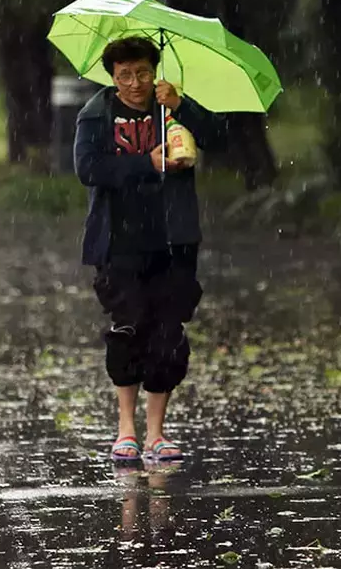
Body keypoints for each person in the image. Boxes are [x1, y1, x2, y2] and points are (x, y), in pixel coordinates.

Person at [73, 36, 227, 463]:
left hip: (174, 238)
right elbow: (88, 168)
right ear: (113, 78)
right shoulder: (97, 113)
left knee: (167, 334)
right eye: (125, 75)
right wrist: (148, 163)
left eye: (142, 73)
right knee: (129, 328)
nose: (135, 83)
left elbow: (221, 137)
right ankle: (126, 428)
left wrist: (182, 106)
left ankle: (157, 433)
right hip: (118, 241)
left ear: (153, 71)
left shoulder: (171, 107)